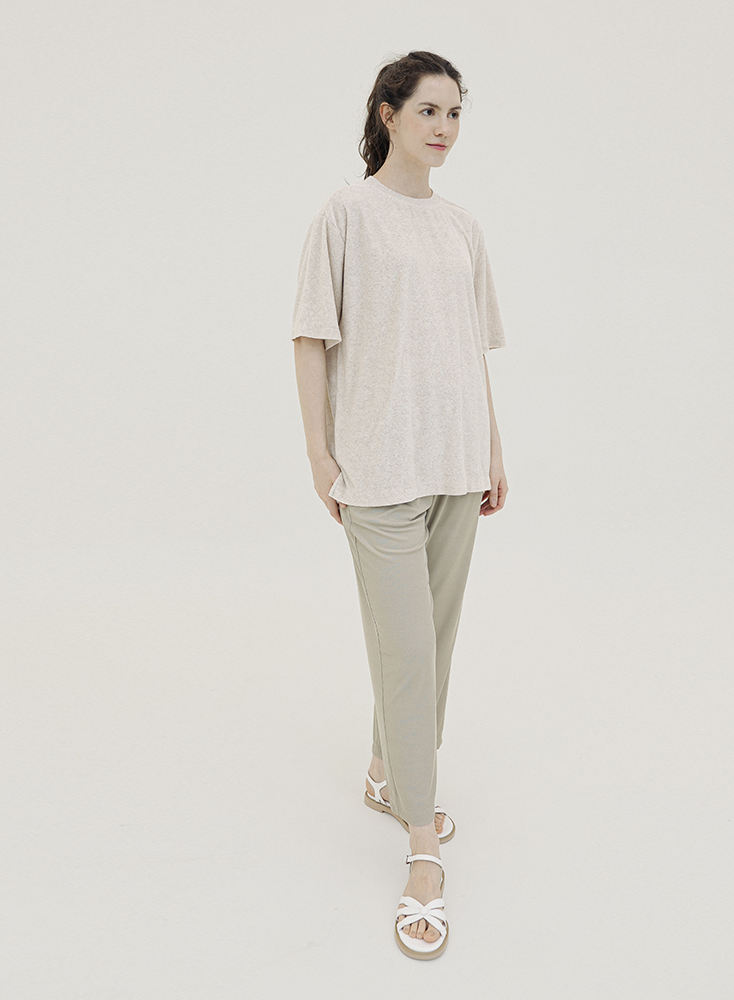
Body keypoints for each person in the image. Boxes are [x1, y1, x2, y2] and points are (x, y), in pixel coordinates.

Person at [290, 50, 508, 960]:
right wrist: (320, 455)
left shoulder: (462, 227)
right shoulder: (346, 215)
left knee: (435, 644)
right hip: (378, 471)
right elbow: (311, 336)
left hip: (455, 465)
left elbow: (470, 347)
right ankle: (423, 846)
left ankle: (387, 773)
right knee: (407, 649)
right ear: (387, 114)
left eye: (455, 113)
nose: (444, 128)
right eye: (428, 110)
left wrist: (492, 447)